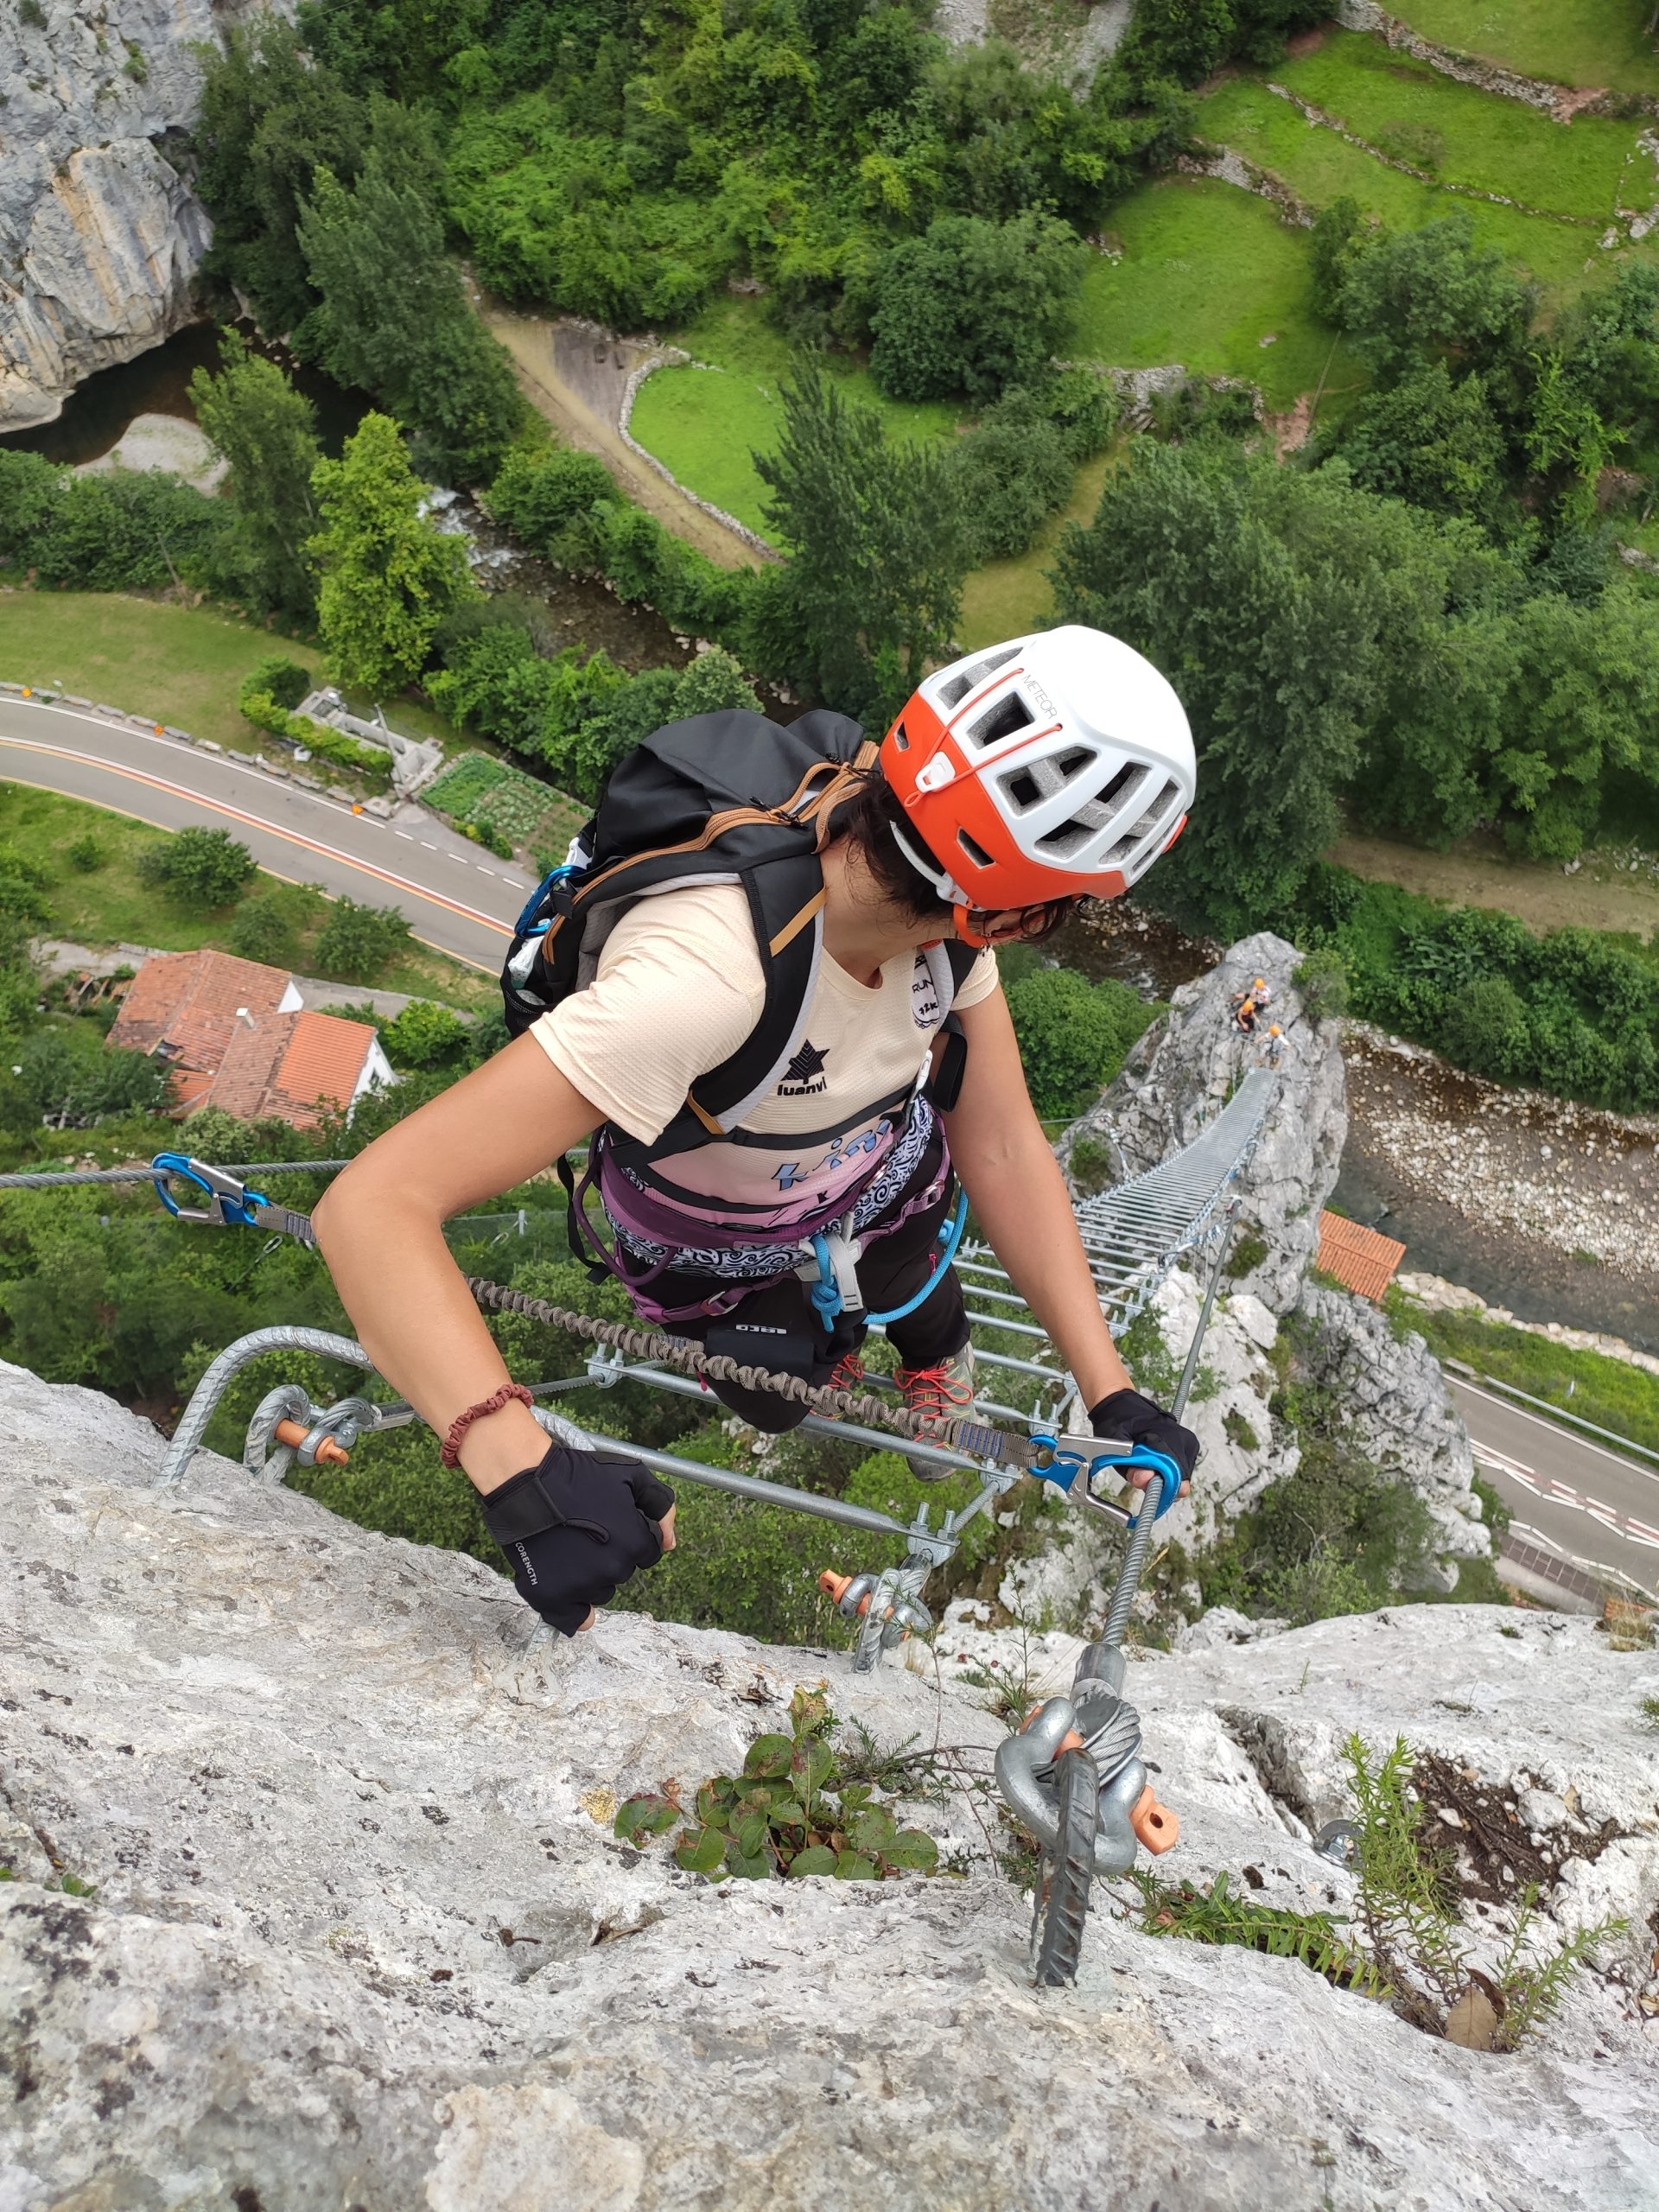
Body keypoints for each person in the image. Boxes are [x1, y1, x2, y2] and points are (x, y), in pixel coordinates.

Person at [313, 626, 1204, 1637]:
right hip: (708, 1244)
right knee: (779, 1388)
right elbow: (371, 1208)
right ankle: (837, 1359)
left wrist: (1111, 1392)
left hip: (870, 1172)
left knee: (925, 1292)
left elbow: (998, 1141)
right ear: (1011, 920)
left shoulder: (939, 914)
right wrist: (522, 1473)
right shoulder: (708, 976)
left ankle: (925, 1363)